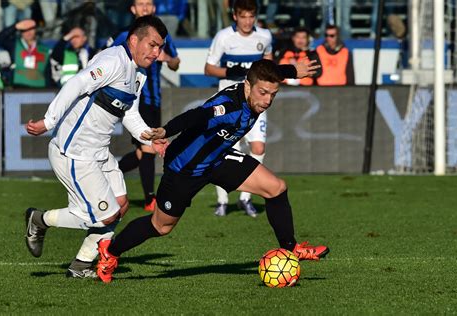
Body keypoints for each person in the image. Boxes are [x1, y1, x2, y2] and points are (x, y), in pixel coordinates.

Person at [96, 59, 328, 284]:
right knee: (161, 226)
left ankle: (291, 250)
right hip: (184, 169)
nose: (267, 100)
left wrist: (290, 70)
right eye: (263, 93)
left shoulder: (256, 85)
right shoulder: (228, 106)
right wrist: (166, 130)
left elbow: (263, 71)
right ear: (248, 85)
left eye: (272, 95)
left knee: (276, 188)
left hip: (218, 160)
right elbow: (196, 115)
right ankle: (111, 252)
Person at [24, 15, 169, 278]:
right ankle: (39, 219)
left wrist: (149, 138)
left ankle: (80, 266)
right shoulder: (112, 60)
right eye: (152, 45)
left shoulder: (139, 73)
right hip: (75, 151)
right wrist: (49, 120)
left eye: (160, 47)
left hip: (100, 151)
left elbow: (129, 113)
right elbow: (76, 84)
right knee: (105, 217)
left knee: (121, 205)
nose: (157, 53)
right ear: (134, 40)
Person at [204, 0, 273, 218]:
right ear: (235, 16)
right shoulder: (224, 37)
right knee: (223, 149)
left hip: (256, 103)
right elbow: (208, 68)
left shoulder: (264, 36)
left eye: (251, 17)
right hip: (231, 103)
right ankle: (222, 201)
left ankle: (245, 198)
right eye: (243, 16)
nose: (247, 21)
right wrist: (230, 71)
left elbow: (269, 65)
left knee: (259, 147)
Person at [114, 0, 181, 212]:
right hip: (134, 99)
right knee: (148, 147)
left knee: (144, 153)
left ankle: (110, 172)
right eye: (140, 4)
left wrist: (167, 57)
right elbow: (108, 59)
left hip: (154, 98)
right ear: (133, 9)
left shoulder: (163, 35)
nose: (145, 8)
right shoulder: (125, 36)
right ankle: (150, 198)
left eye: (148, 4)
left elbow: (176, 63)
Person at [0, 19, 51, 88]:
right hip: (18, 87)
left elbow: (48, 73)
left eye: (31, 29)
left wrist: (48, 89)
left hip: (40, 88)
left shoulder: (44, 49)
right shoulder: (15, 45)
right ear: (20, 32)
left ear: (35, 30)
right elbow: (1, 38)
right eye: (24, 30)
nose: (28, 32)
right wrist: (15, 26)